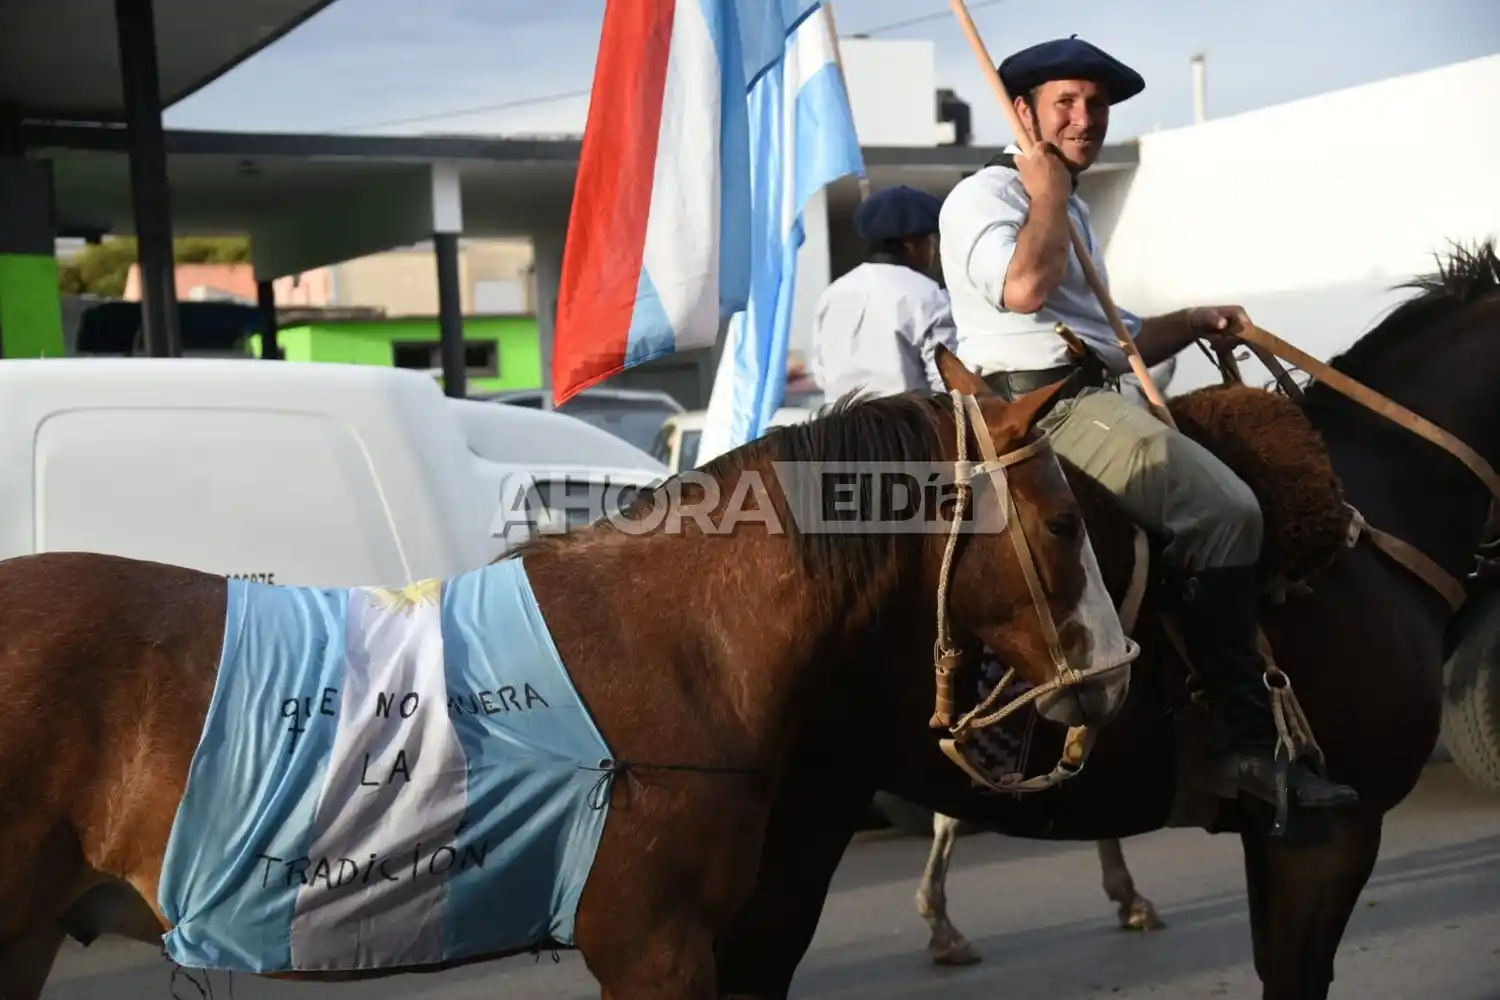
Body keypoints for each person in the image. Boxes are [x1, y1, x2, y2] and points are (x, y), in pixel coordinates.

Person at [937, 36, 1358, 816]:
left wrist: (1196, 319)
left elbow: (1117, 335)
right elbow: (1025, 289)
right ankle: (1242, 746)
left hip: (1093, 390)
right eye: (1066, 102)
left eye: (1096, 105)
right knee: (1226, 513)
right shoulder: (988, 197)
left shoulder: (1067, 208)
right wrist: (1047, 194)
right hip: (1042, 408)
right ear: (1022, 112)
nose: (1085, 118)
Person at [810, 185, 957, 402]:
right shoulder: (927, 294)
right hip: (903, 429)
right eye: (931, 241)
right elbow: (948, 381)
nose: (934, 251)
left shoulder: (832, 294)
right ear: (912, 244)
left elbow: (821, 374)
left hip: (837, 428)